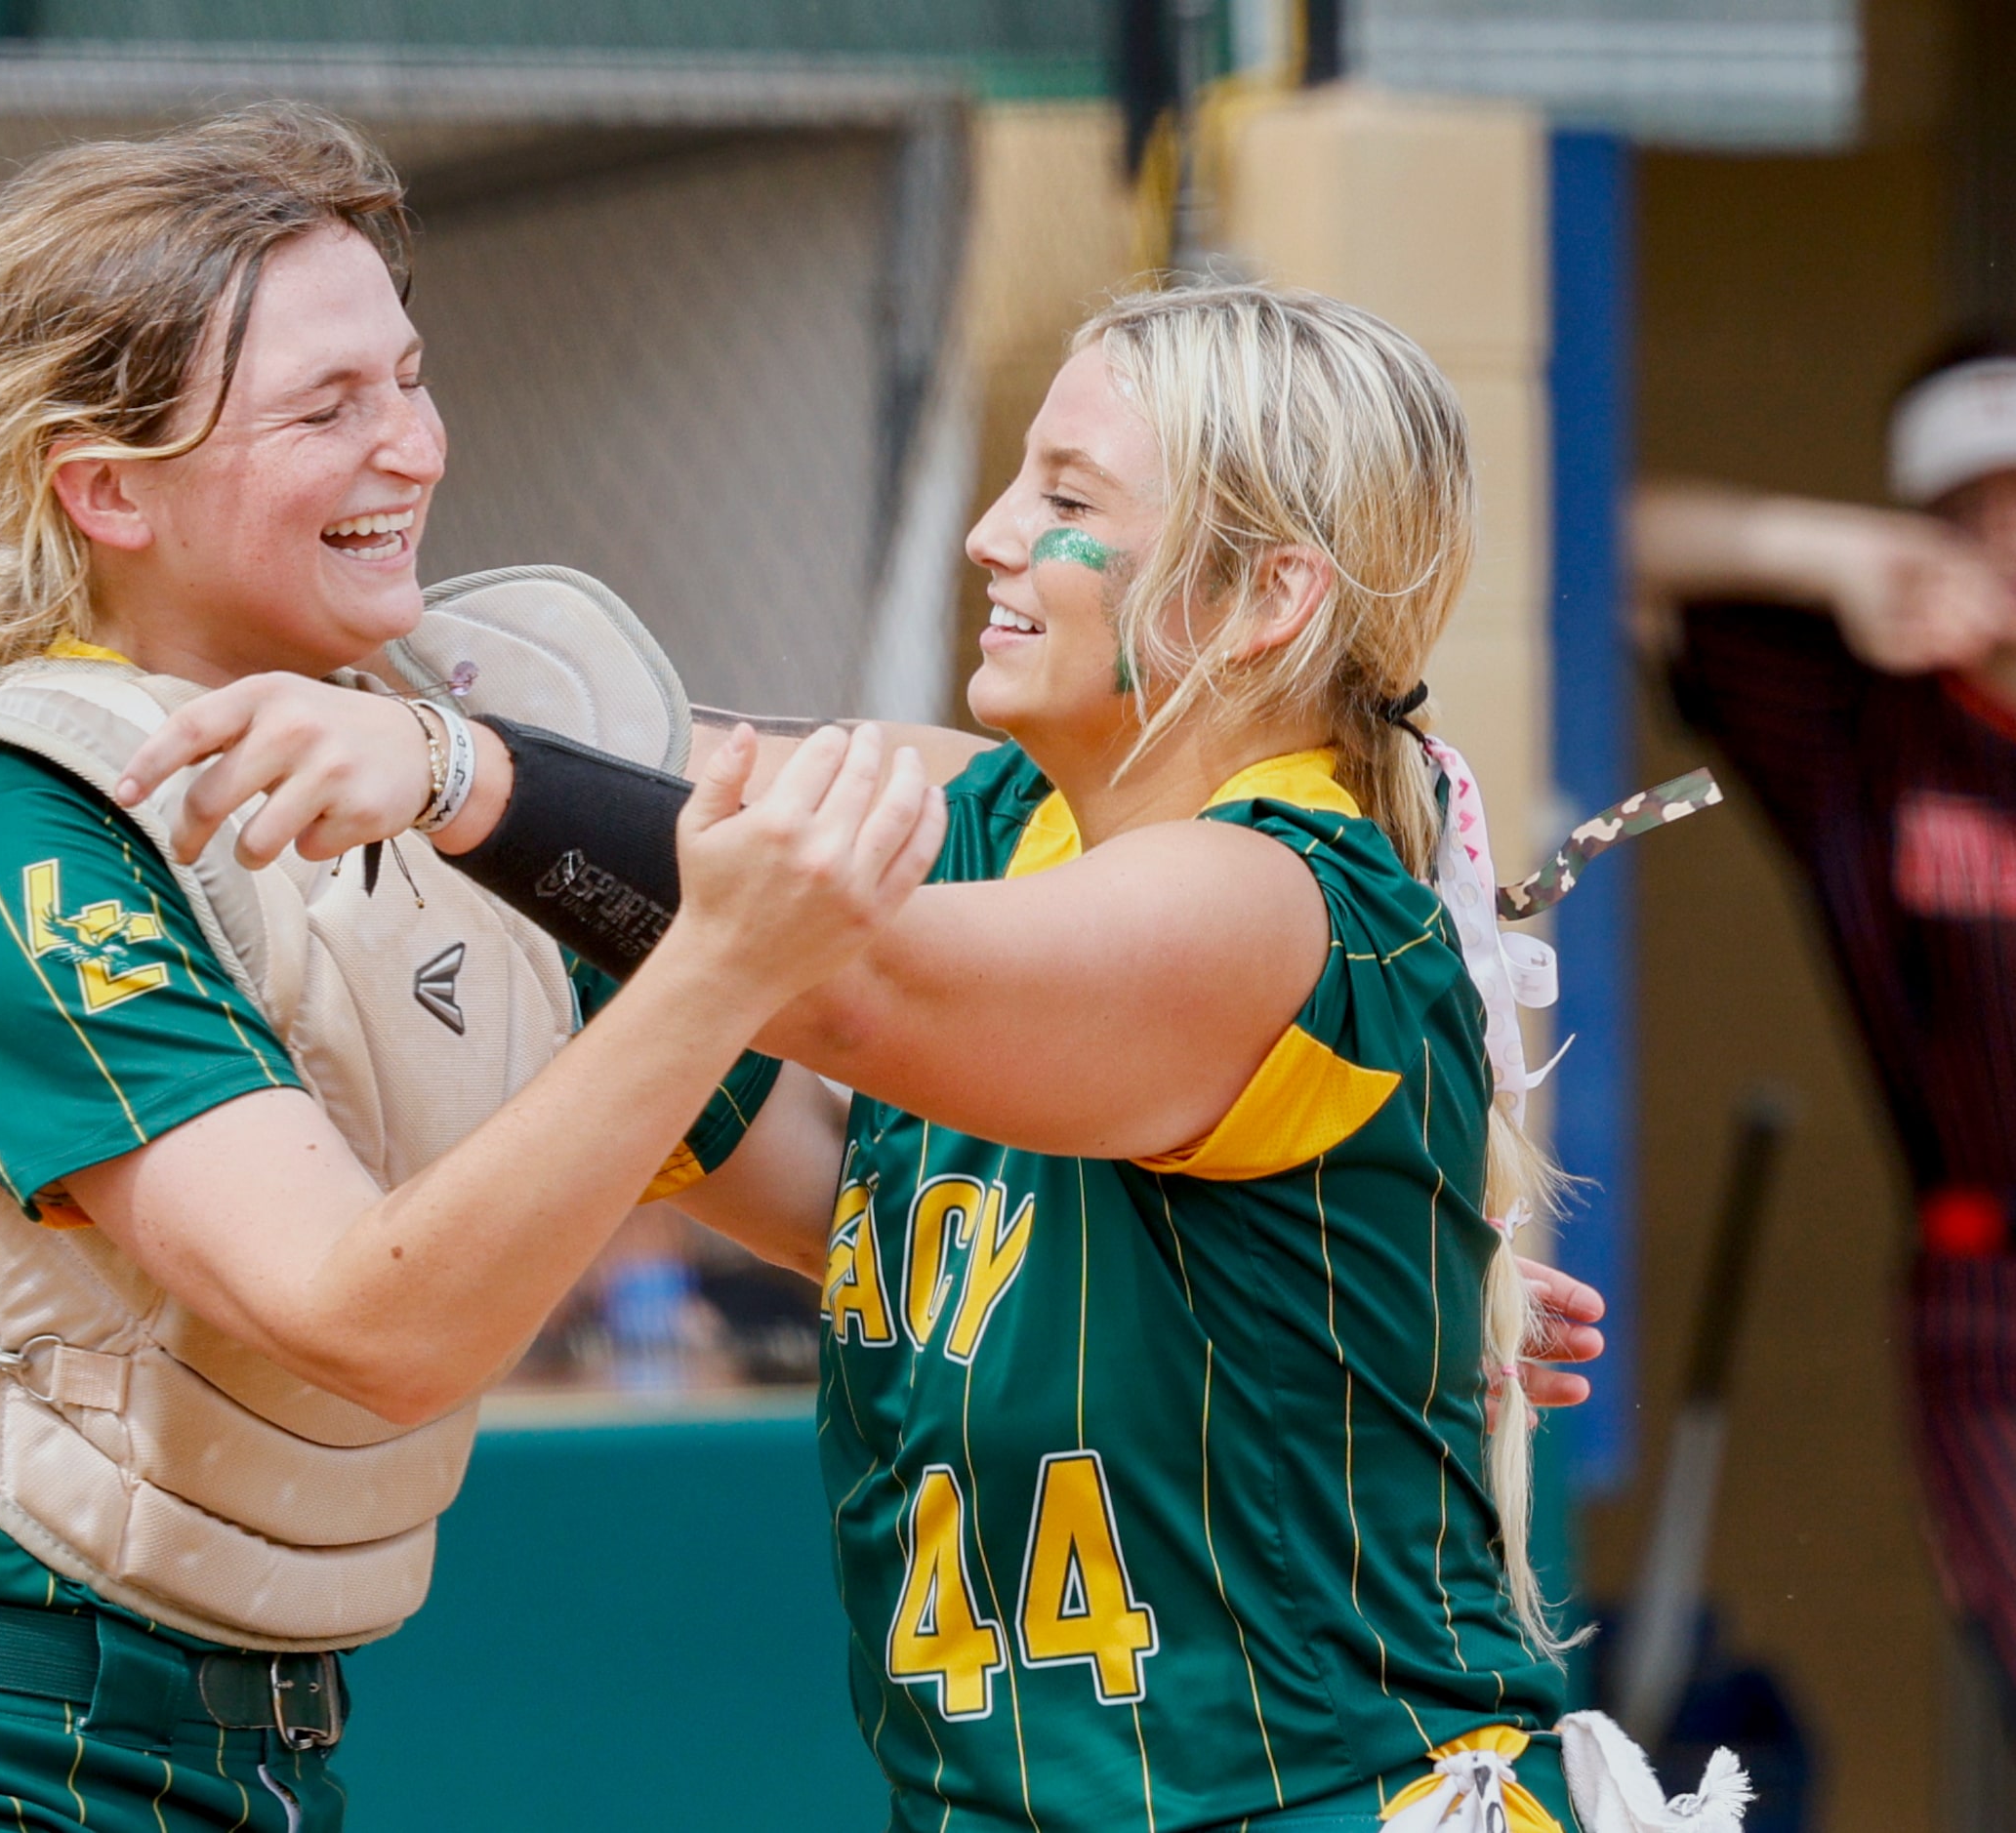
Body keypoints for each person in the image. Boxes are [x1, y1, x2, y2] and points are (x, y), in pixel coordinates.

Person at [92, 283, 1688, 1829]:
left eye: (1066, 494)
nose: (996, 532)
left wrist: (451, 778)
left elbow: (820, 965)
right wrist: (73, 505)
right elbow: (601, 740)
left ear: (1269, 598)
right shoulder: (996, 819)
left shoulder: (1274, 896)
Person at [0, 107, 940, 1833]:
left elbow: (857, 1213)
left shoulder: (446, 791)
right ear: (104, 482)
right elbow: (362, 1322)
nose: (412, 444)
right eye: (328, 407)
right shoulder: (2, 821)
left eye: (408, 377)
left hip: (249, 1757)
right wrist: (715, 967)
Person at [1630, 338, 2016, 1717]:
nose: (2005, 540)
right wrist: (1831, 554)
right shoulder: (1873, 721)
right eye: (1973, 509)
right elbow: (1604, 538)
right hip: (1992, 1290)